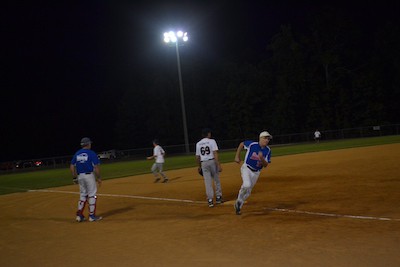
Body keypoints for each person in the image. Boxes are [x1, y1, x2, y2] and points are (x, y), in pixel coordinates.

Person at [234, 131, 272, 215]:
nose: (267, 140)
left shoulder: (268, 150)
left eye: (268, 139)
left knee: (248, 193)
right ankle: (239, 200)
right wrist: (237, 156)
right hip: (246, 168)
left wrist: (262, 158)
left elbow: (265, 165)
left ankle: (239, 205)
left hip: (256, 172)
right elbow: (241, 144)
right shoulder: (252, 145)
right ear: (261, 138)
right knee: (246, 185)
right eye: (265, 138)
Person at [70, 137, 102, 222]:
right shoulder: (91, 153)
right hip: (89, 176)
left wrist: (74, 177)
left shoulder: (77, 153)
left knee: (83, 195)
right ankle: (92, 216)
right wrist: (98, 177)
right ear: (88, 144)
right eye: (90, 143)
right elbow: (96, 167)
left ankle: (79, 215)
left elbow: (72, 166)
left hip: (80, 176)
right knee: (92, 195)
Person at [195, 128, 223, 207]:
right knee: (216, 179)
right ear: (208, 134)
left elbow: (197, 157)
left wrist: (199, 166)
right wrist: (218, 165)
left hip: (203, 163)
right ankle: (218, 197)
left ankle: (210, 200)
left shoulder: (198, 143)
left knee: (207, 182)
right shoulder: (212, 141)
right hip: (212, 162)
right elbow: (215, 153)